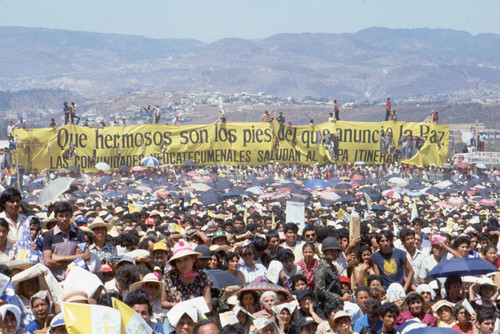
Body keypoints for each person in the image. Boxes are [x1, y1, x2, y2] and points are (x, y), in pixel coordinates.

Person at [42, 201, 90, 281]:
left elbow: (86, 256)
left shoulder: (78, 233)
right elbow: (48, 262)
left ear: (71, 215)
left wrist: (60, 258)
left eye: (67, 215)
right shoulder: (49, 235)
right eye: (61, 216)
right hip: (56, 279)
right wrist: (75, 260)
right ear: (55, 217)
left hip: (75, 278)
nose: (64, 219)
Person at [161, 241, 213, 310]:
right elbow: (163, 302)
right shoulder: (169, 277)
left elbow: (209, 306)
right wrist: (173, 305)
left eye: (186, 259)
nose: (182, 264)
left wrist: (195, 304)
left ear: (193, 259)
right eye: (179, 261)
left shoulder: (203, 278)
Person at [314, 237, 348, 308]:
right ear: (325, 251)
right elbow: (321, 292)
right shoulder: (321, 268)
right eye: (331, 251)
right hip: (323, 306)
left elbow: (338, 285)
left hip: (334, 304)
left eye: (335, 251)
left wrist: (344, 293)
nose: (334, 253)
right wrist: (339, 298)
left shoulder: (332, 266)